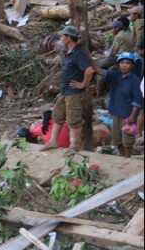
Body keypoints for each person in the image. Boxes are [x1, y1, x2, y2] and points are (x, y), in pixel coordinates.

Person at [41, 25, 97, 156]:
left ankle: (74, 146)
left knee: (73, 120)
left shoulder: (78, 54)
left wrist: (82, 84)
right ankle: (53, 141)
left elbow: (89, 71)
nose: (60, 38)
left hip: (74, 93)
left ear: (68, 38)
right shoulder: (67, 51)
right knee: (58, 115)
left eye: (62, 36)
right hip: (65, 91)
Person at [100, 52, 143, 158]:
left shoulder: (134, 80)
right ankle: (123, 157)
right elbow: (101, 72)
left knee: (127, 141)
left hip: (127, 116)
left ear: (132, 65)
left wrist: (133, 116)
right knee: (117, 139)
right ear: (119, 64)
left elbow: (137, 100)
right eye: (122, 63)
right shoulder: (116, 76)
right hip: (116, 114)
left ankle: (127, 159)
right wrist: (91, 61)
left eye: (128, 63)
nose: (124, 65)